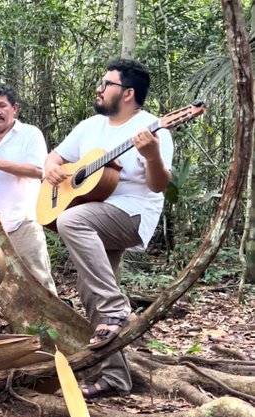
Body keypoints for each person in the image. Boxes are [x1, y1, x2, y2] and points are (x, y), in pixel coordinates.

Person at [43, 59, 174, 398]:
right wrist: (51, 170)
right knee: (90, 291)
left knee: (71, 219)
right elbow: (54, 157)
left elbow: (159, 185)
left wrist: (154, 156)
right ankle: (115, 378)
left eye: (106, 84)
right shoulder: (90, 126)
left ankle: (117, 310)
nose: (99, 89)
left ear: (128, 93)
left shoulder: (153, 128)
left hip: (131, 215)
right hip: (98, 212)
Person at [0, 84, 58, 296]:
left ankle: (54, 325)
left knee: (39, 279)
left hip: (22, 221)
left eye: (2, 106)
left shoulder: (29, 134)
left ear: (14, 108)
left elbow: (39, 170)